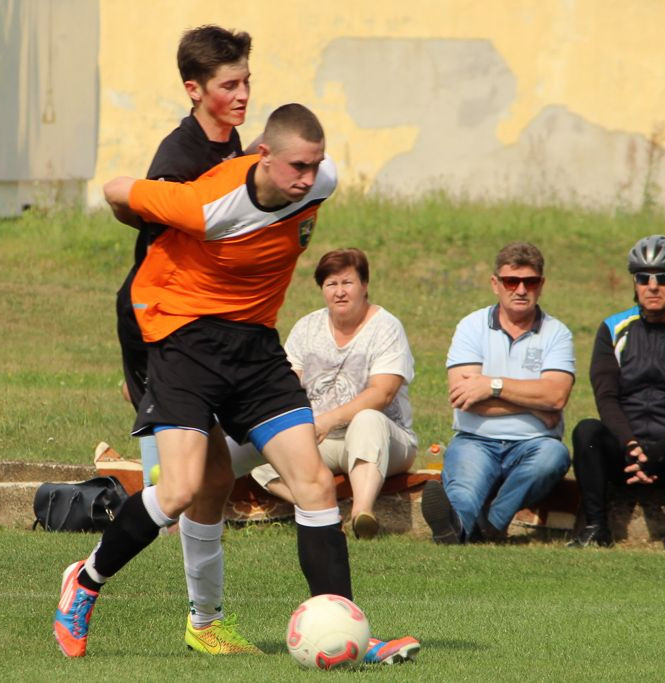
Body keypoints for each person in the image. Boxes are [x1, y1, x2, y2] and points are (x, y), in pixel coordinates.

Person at [54, 104, 419, 664]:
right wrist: (154, 224)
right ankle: (86, 579)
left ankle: (348, 631)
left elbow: (315, 177)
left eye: (314, 165)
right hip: (185, 348)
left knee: (316, 486)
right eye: (296, 165)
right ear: (262, 156)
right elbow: (115, 189)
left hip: (254, 352)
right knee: (179, 490)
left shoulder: (323, 179)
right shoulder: (207, 202)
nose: (307, 178)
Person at [113, 25, 260, 654]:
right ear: (194, 90)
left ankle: (205, 623)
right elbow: (153, 233)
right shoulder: (180, 159)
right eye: (230, 85)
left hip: (208, 327)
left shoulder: (231, 149)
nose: (243, 93)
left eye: (247, 80)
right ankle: (92, 578)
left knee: (217, 475)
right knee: (188, 481)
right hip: (166, 325)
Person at [247, 248, 418, 540]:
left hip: (386, 440)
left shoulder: (386, 327)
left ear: (364, 285)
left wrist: (327, 420)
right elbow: (287, 382)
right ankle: (324, 508)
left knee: (367, 418)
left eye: (347, 283)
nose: (339, 292)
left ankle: (362, 513)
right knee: (260, 451)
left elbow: (383, 393)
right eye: (331, 284)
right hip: (322, 440)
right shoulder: (307, 327)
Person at [567, 235, 665, 553]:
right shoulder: (612, 328)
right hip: (623, 454)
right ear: (635, 283)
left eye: (663, 278)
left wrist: (659, 452)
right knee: (587, 431)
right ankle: (596, 527)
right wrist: (631, 446)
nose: (653, 286)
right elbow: (606, 397)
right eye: (643, 277)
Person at [421, 242, 574, 544]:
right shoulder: (472, 326)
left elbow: (556, 397)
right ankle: (457, 530)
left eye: (529, 282)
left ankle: (492, 522)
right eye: (510, 281)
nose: (520, 289)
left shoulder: (557, 333)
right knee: (464, 491)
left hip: (536, 444)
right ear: (495, 284)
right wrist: (534, 405)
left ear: (540, 285)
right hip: (475, 439)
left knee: (553, 457)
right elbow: (464, 398)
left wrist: (492, 385)